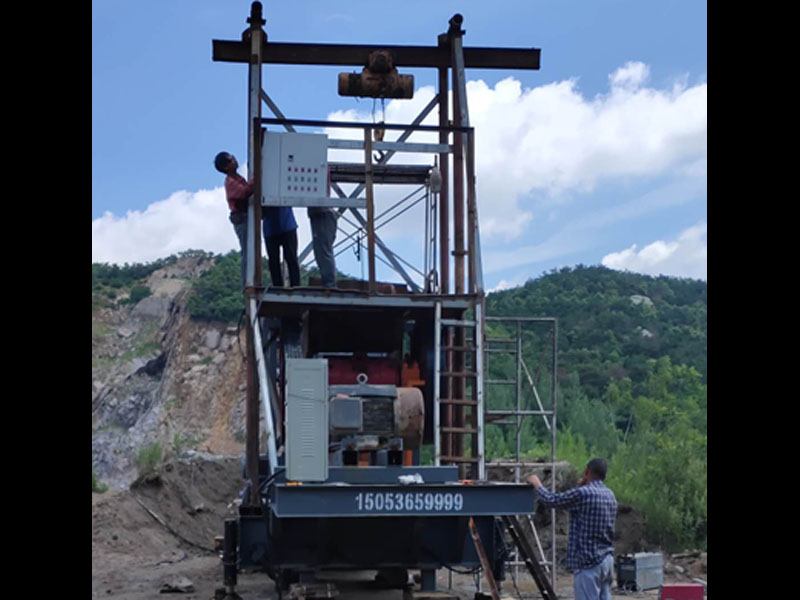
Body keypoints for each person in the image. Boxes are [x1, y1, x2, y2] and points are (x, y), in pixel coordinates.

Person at [527, 458, 618, 600]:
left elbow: (553, 500)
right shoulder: (610, 495)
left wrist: (537, 485)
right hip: (606, 561)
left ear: (587, 472)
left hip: (588, 563)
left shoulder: (583, 494)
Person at [215, 151, 252, 288]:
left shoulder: (237, 178)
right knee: (247, 250)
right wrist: (257, 179)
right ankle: (246, 283)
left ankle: (250, 279)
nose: (235, 160)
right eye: (231, 160)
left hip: (244, 215)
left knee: (250, 249)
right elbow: (244, 192)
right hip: (241, 217)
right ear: (226, 167)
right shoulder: (230, 182)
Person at [262, 205, 300, 287]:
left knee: (290, 259)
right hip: (281, 226)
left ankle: (294, 286)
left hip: (283, 226)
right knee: (275, 261)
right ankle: (283, 286)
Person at [308, 206, 337, 288]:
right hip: (319, 213)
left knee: (323, 251)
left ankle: (330, 284)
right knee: (320, 251)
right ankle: (328, 283)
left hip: (323, 213)